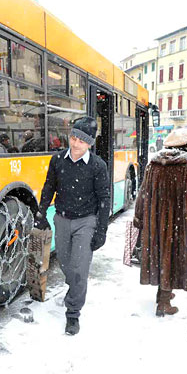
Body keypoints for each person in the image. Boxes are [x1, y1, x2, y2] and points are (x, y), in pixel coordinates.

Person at [34, 116, 110, 335]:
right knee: (66, 264)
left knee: (79, 270)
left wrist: (101, 230)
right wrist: (42, 211)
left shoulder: (97, 166)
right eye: (74, 137)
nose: (76, 144)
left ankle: (73, 313)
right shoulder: (57, 160)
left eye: (82, 140)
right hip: (62, 219)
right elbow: (49, 186)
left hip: (86, 221)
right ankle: (74, 289)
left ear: (89, 144)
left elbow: (104, 198)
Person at [133, 129, 187, 316]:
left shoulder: (153, 165)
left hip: (156, 222)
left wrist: (140, 217)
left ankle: (163, 294)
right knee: (173, 257)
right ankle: (164, 302)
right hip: (181, 224)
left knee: (161, 256)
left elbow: (143, 194)